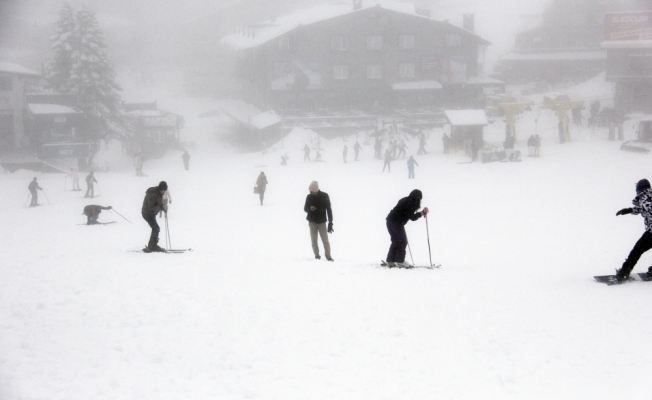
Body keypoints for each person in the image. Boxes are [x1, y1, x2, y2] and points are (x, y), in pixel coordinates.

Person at [615, 179, 652, 283]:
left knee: (636, 252)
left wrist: (630, 210)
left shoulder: (644, 197)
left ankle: (623, 274)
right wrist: (630, 210)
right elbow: (645, 208)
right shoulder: (648, 196)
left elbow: (647, 207)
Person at [385, 190, 428, 268]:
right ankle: (400, 261)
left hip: (390, 221)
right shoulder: (410, 203)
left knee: (396, 241)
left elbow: (405, 213)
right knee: (402, 241)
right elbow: (412, 217)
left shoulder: (405, 200)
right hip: (396, 223)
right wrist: (422, 213)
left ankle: (390, 260)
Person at [304, 181, 333, 261]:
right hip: (312, 221)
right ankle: (317, 256)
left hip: (322, 222)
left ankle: (328, 256)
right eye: (310, 191)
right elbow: (305, 208)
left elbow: (329, 210)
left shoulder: (324, 196)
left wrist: (330, 222)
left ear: (316, 190)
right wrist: (310, 209)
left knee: (325, 240)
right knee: (314, 240)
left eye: (312, 190)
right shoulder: (309, 197)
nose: (311, 192)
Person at [142, 181, 168, 252]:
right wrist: (161, 207)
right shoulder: (153, 194)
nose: (164, 192)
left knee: (156, 228)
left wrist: (163, 208)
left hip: (151, 214)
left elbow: (158, 204)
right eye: (163, 190)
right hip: (147, 213)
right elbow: (151, 208)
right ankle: (152, 246)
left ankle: (153, 245)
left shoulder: (159, 193)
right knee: (156, 228)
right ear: (160, 189)